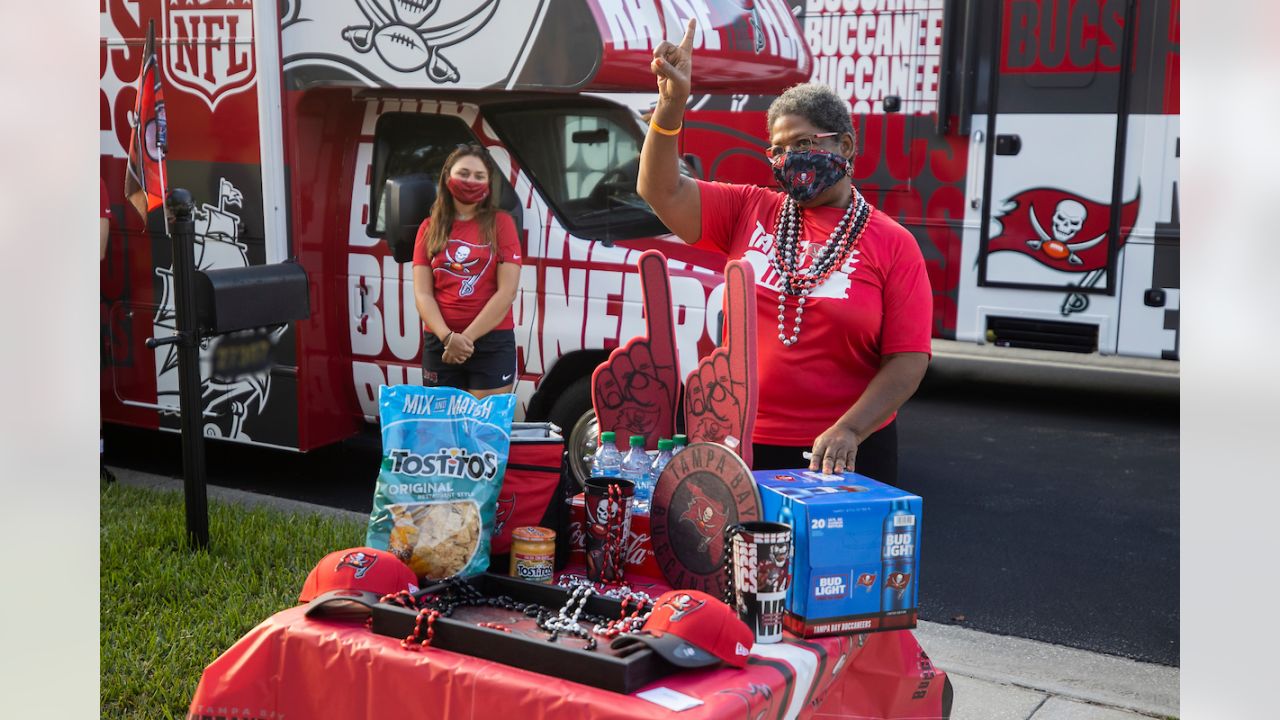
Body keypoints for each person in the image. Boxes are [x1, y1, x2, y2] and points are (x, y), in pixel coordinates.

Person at [637, 20, 932, 482]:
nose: (789, 157)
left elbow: (909, 358)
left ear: (846, 145)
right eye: (777, 149)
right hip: (740, 439)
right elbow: (659, 189)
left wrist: (850, 430)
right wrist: (671, 106)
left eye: (804, 143)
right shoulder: (749, 208)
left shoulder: (893, 243)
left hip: (845, 452)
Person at [412, 144, 522, 398]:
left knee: (483, 430)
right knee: (443, 431)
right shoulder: (429, 228)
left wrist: (465, 340)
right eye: (463, 173)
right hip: (440, 344)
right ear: (448, 176)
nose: (470, 181)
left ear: (488, 183)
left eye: (479, 176)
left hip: (491, 344)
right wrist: (448, 338)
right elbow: (423, 294)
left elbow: (507, 292)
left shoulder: (502, 223)